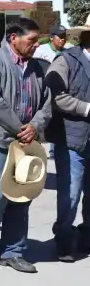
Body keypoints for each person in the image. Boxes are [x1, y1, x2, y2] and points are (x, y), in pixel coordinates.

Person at [0, 18, 51, 274]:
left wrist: (35, 126)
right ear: (14, 37)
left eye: (38, 40)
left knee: (22, 197)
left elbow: (47, 102)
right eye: (32, 40)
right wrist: (19, 127)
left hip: (27, 141)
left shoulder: (38, 68)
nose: (37, 45)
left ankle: (13, 251)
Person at [45, 14, 90, 262]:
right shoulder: (66, 60)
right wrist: (86, 108)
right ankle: (63, 240)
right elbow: (55, 94)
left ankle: (86, 237)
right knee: (70, 194)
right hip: (72, 139)